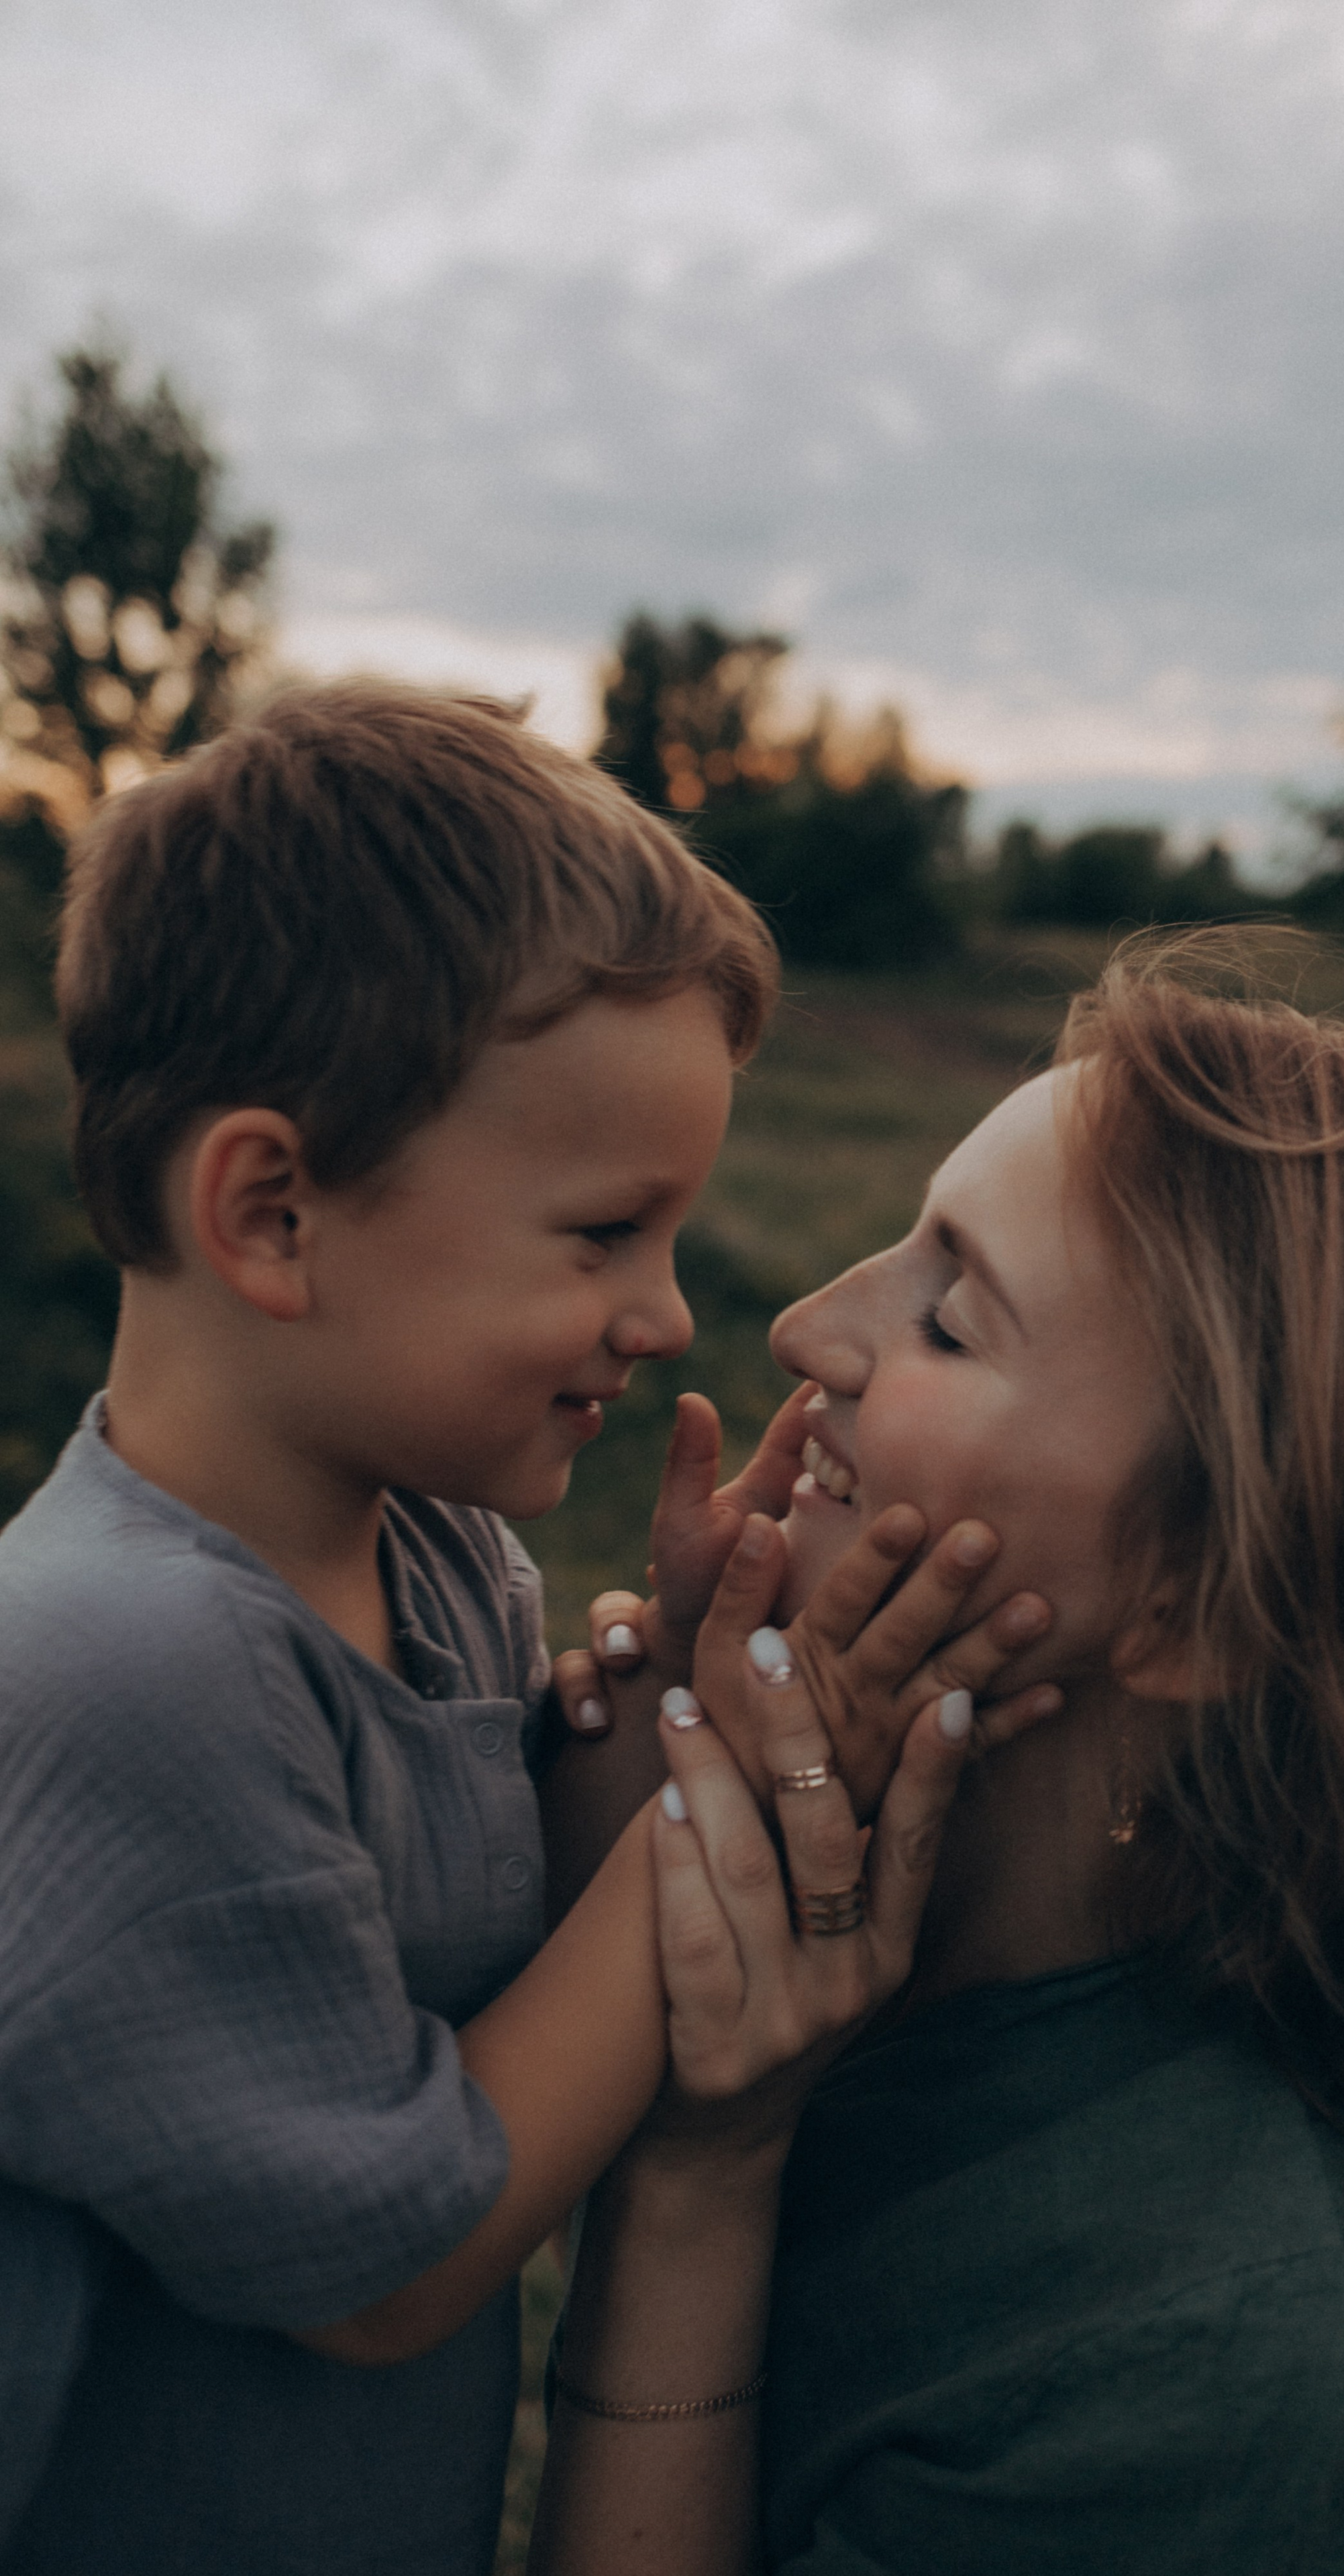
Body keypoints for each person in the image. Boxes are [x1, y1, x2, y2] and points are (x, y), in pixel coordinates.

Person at [0, 682, 1053, 2576]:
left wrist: (655, 1720)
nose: (666, 1315)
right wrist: (727, 1790)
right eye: (600, 1237)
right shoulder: (126, 1671)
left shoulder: (435, 1557)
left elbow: (489, 1986)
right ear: (273, 1213)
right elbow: (387, 2262)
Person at [531, 931, 1344, 2575]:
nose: (806, 1328)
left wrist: (696, 2181)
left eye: (948, 1316)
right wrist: (651, 1758)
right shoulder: (881, 1916)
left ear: (1199, 1600)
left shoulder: (1223, 2365)